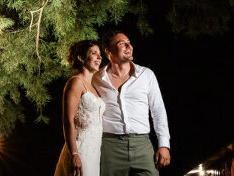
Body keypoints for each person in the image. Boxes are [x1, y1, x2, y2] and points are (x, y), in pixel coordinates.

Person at [93, 30, 171, 175]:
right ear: (108, 51)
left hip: (142, 144)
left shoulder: (146, 75)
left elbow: (158, 110)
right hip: (110, 147)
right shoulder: (97, 79)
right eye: (122, 43)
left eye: (129, 42)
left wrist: (164, 144)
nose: (129, 46)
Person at [55, 40, 105, 176]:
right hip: (80, 149)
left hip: (94, 152)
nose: (99, 57)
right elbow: (68, 121)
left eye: (99, 54)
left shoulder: (93, 87)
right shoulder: (75, 82)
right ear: (81, 58)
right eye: (94, 53)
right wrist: (74, 153)